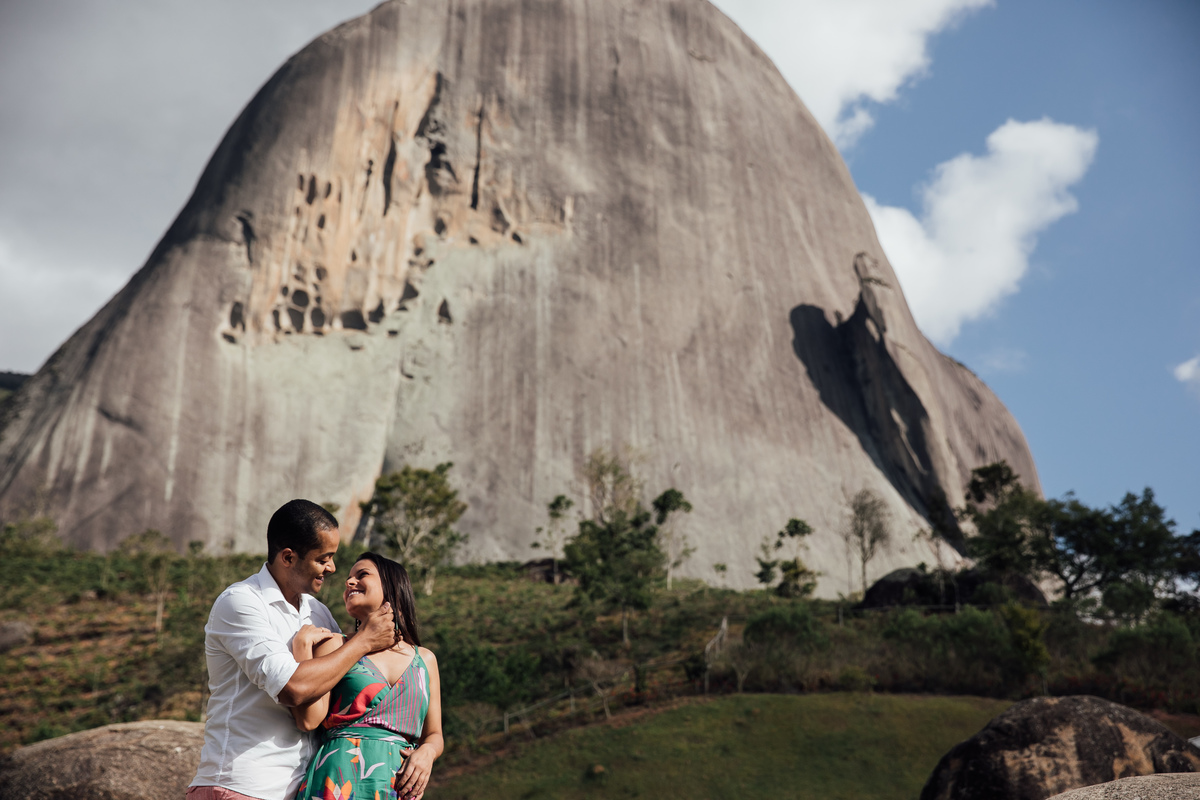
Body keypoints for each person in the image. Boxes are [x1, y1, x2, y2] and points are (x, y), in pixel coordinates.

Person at [188, 500, 398, 800]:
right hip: (243, 785)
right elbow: (292, 688)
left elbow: (337, 691)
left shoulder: (318, 612)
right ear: (288, 557)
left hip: (301, 788)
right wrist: (364, 640)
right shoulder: (241, 602)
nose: (332, 568)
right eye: (323, 558)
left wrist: (425, 748)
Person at [292, 552, 444, 800]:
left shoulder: (425, 660)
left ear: (392, 587)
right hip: (339, 777)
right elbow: (309, 720)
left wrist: (427, 752)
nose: (349, 582)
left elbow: (434, 734)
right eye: (349, 579)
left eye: (361, 575)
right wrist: (301, 650)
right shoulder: (335, 646)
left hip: (399, 784)